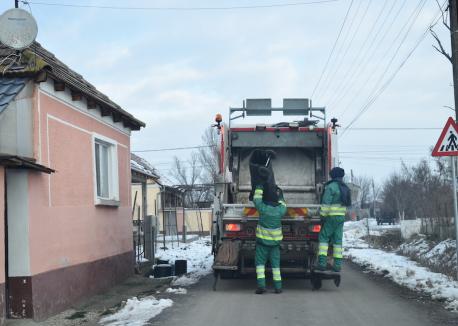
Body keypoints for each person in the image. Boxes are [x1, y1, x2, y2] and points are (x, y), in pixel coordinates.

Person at [252, 183, 287, 294]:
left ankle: (261, 286)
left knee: (260, 265)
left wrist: (259, 187)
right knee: (276, 266)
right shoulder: (280, 210)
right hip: (275, 246)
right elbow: (283, 204)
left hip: (262, 244)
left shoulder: (263, 209)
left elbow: (257, 200)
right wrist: (280, 194)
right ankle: (278, 287)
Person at [317, 167, 348, 272]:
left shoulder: (331, 187)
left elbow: (326, 203)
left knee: (323, 237)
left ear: (332, 176)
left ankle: (322, 263)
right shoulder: (344, 187)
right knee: (338, 240)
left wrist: (322, 216)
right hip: (341, 217)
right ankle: (337, 265)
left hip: (331, 217)